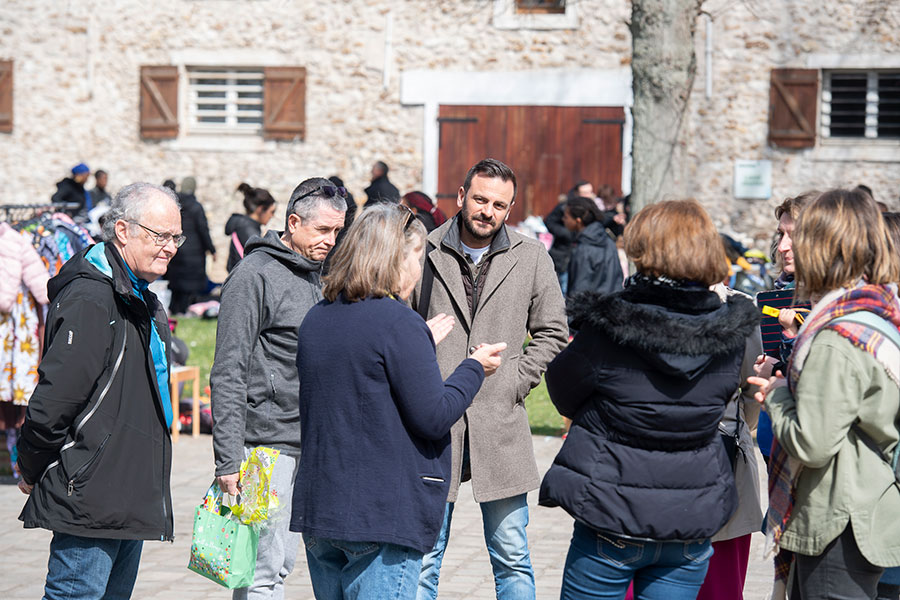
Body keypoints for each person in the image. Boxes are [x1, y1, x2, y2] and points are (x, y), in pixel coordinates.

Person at [539, 199, 760, 599]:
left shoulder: (610, 326)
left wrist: (606, 414)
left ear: (645, 249)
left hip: (614, 508)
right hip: (689, 514)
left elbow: (563, 392)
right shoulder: (729, 332)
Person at [291, 203, 505, 599]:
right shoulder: (396, 321)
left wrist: (416, 342)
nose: (420, 268)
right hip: (379, 511)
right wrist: (473, 368)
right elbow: (434, 416)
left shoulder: (317, 317)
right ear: (397, 257)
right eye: (418, 256)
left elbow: (361, 382)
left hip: (322, 508)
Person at [16, 182, 182, 599]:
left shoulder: (136, 293)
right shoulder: (93, 296)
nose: (171, 247)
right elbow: (56, 398)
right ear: (123, 231)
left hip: (126, 492)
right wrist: (31, 465)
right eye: (160, 235)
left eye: (176, 237)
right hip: (90, 490)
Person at [414, 158, 569, 600]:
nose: (487, 211)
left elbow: (554, 330)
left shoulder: (531, 256)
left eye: (499, 205)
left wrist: (516, 380)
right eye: (479, 199)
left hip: (499, 420)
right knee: (423, 557)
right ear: (460, 197)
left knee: (512, 556)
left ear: (511, 208)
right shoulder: (423, 249)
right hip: (432, 420)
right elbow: (397, 323)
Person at [750, 189, 900, 600]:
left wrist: (778, 392)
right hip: (859, 509)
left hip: (838, 520)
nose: (782, 247)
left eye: (793, 237)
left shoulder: (836, 336)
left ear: (824, 247)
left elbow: (812, 444)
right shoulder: (871, 311)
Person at [210, 177, 346, 600]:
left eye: (337, 232)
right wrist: (229, 459)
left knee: (281, 567)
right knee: (260, 573)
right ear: (293, 222)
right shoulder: (254, 276)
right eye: (323, 230)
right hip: (263, 448)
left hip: (309, 443)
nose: (331, 240)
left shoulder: (321, 276)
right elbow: (228, 368)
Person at [756, 191, 818, 465]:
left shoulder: (832, 304)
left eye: (793, 236)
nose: (782, 247)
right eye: (781, 235)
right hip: (774, 439)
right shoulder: (783, 290)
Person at [166, 176, 216, 314]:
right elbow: (203, 230)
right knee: (192, 285)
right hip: (195, 251)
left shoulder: (176, 206)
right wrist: (211, 249)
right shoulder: (196, 207)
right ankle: (190, 308)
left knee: (178, 282)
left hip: (178, 247)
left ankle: (176, 309)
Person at [561, 196, 624, 302]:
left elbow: (579, 290)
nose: (563, 219)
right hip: (612, 307)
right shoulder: (608, 241)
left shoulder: (584, 248)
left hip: (590, 312)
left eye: (566, 217)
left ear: (578, 220)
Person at [226, 183, 277, 272]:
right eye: (272, 211)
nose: (272, 216)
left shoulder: (242, 225)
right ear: (260, 209)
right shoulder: (249, 232)